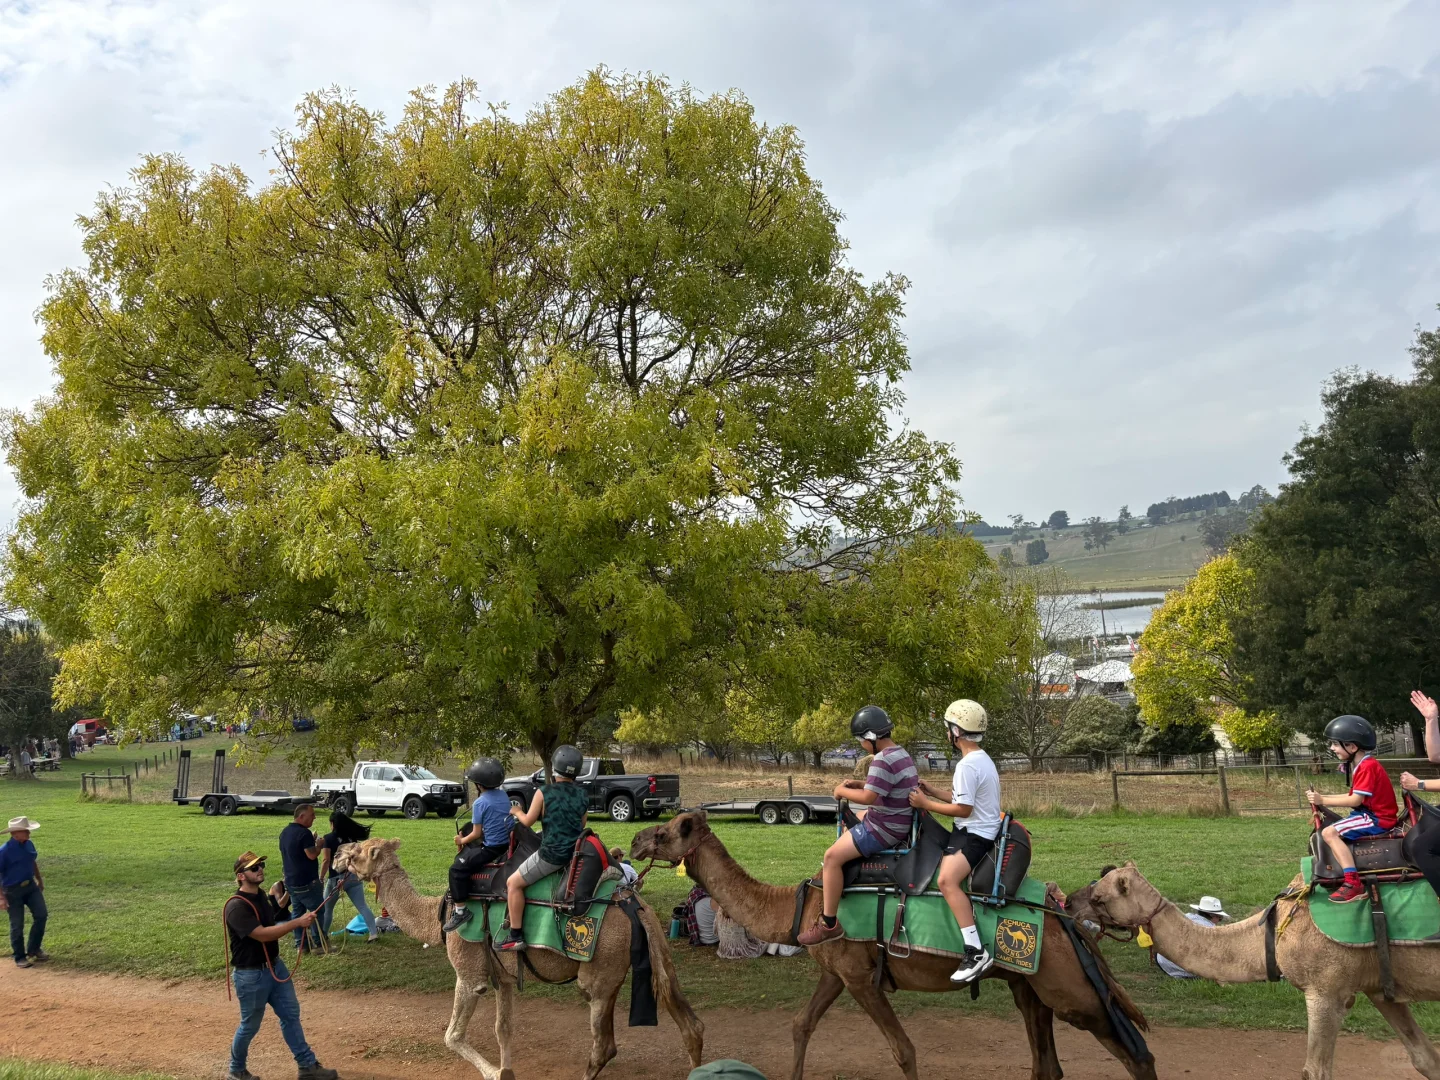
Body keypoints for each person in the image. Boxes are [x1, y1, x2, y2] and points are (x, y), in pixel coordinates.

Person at [797, 705, 918, 946]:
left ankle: (829, 924)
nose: (861, 745)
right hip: (898, 820)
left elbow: (869, 797)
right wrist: (860, 783)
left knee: (831, 857)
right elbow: (885, 785)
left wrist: (841, 791)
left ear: (871, 737)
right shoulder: (900, 753)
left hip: (885, 828)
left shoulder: (881, 760)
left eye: (861, 740)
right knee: (857, 817)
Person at [223, 850, 339, 1080]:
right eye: (254, 868)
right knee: (250, 1025)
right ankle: (236, 1071)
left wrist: (300, 920)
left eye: (261, 866)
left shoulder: (262, 896)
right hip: (250, 976)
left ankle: (307, 1066)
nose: (260, 870)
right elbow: (262, 934)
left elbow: (274, 921)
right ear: (240, 876)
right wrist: (297, 922)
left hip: (275, 968)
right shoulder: (236, 907)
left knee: (291, 1015)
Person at [909, 699, 1001, 982]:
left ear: (956, 731)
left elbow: (963, 809)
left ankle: (975, 951)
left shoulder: (967, 766)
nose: (947, 733)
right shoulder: (980, 759)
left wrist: (925, 804)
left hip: (975, 835)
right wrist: (933, 792)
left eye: (949, 728)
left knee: (946, 881)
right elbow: (963, 798)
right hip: (976, 829)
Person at [498, 744, 590, 951]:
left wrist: (517, 811)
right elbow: (581, 824)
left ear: (555, 768)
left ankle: (515, 936)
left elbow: (528, 822)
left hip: (552, 855)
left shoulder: (543, 792)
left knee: (512, 883)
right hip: (574, 854)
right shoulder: (583, 795)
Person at [1307, 714, 1399, 903]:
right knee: (1331, 830)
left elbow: (1355, 800)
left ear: (1352, 746)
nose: (1332, 748)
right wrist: (1322, 800)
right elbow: (1353, 796)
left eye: (1335, 743)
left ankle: (1353, 883)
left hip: (1377, 818)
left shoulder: (1367, 767)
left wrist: (1323, 799)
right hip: (1369, 814)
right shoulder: (1362, 764)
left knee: (1329, 833)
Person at [441, 758, 514, 933]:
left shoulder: (480, 803)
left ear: (478, 784)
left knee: (456, 869)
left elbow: (476, 834)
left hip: (492, 848)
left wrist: (461, 841)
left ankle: (460, 911)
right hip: (508, 842)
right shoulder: (503, 795)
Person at [318, 811, 378, 942]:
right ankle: (373, 933)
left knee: (327, 908)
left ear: (333, 824)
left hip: (335, 879)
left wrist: (321, 877)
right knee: (362, 906)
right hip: (353, 877)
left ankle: (323, 935)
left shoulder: (328, 838)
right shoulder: (352, 838)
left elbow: (326, 860)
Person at [0, 816, 47, 969]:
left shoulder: (29, 844)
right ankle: (19, 956)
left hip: (30, 886)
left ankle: (34, 949)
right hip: (12, 891)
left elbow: (32, 861)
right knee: (17, 924)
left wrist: (39, 879)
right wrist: (1, 897)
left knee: (41, 915)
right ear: (14, 834)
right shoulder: (4, 851)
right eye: (25, 831)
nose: (28, 833)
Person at [279, 803, 325, 951]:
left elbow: (295, 850)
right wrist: (319, 845)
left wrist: (311, 842)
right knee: (317, 912)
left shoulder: (285, 832)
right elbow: (311, 855)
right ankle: (320, 944)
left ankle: (301, 945)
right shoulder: (304, 833)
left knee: (297, 913)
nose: (314, 817)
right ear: (302, 816)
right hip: (307, 882)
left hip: (291, 881)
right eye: (312, 815)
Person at [1155, 896, 1228, 978]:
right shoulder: (1211, 931)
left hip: (1162, 960)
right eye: (1219, 917)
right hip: (1180, 968)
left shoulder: (1185, 916)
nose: (1218, 921)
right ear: (1212, 915)